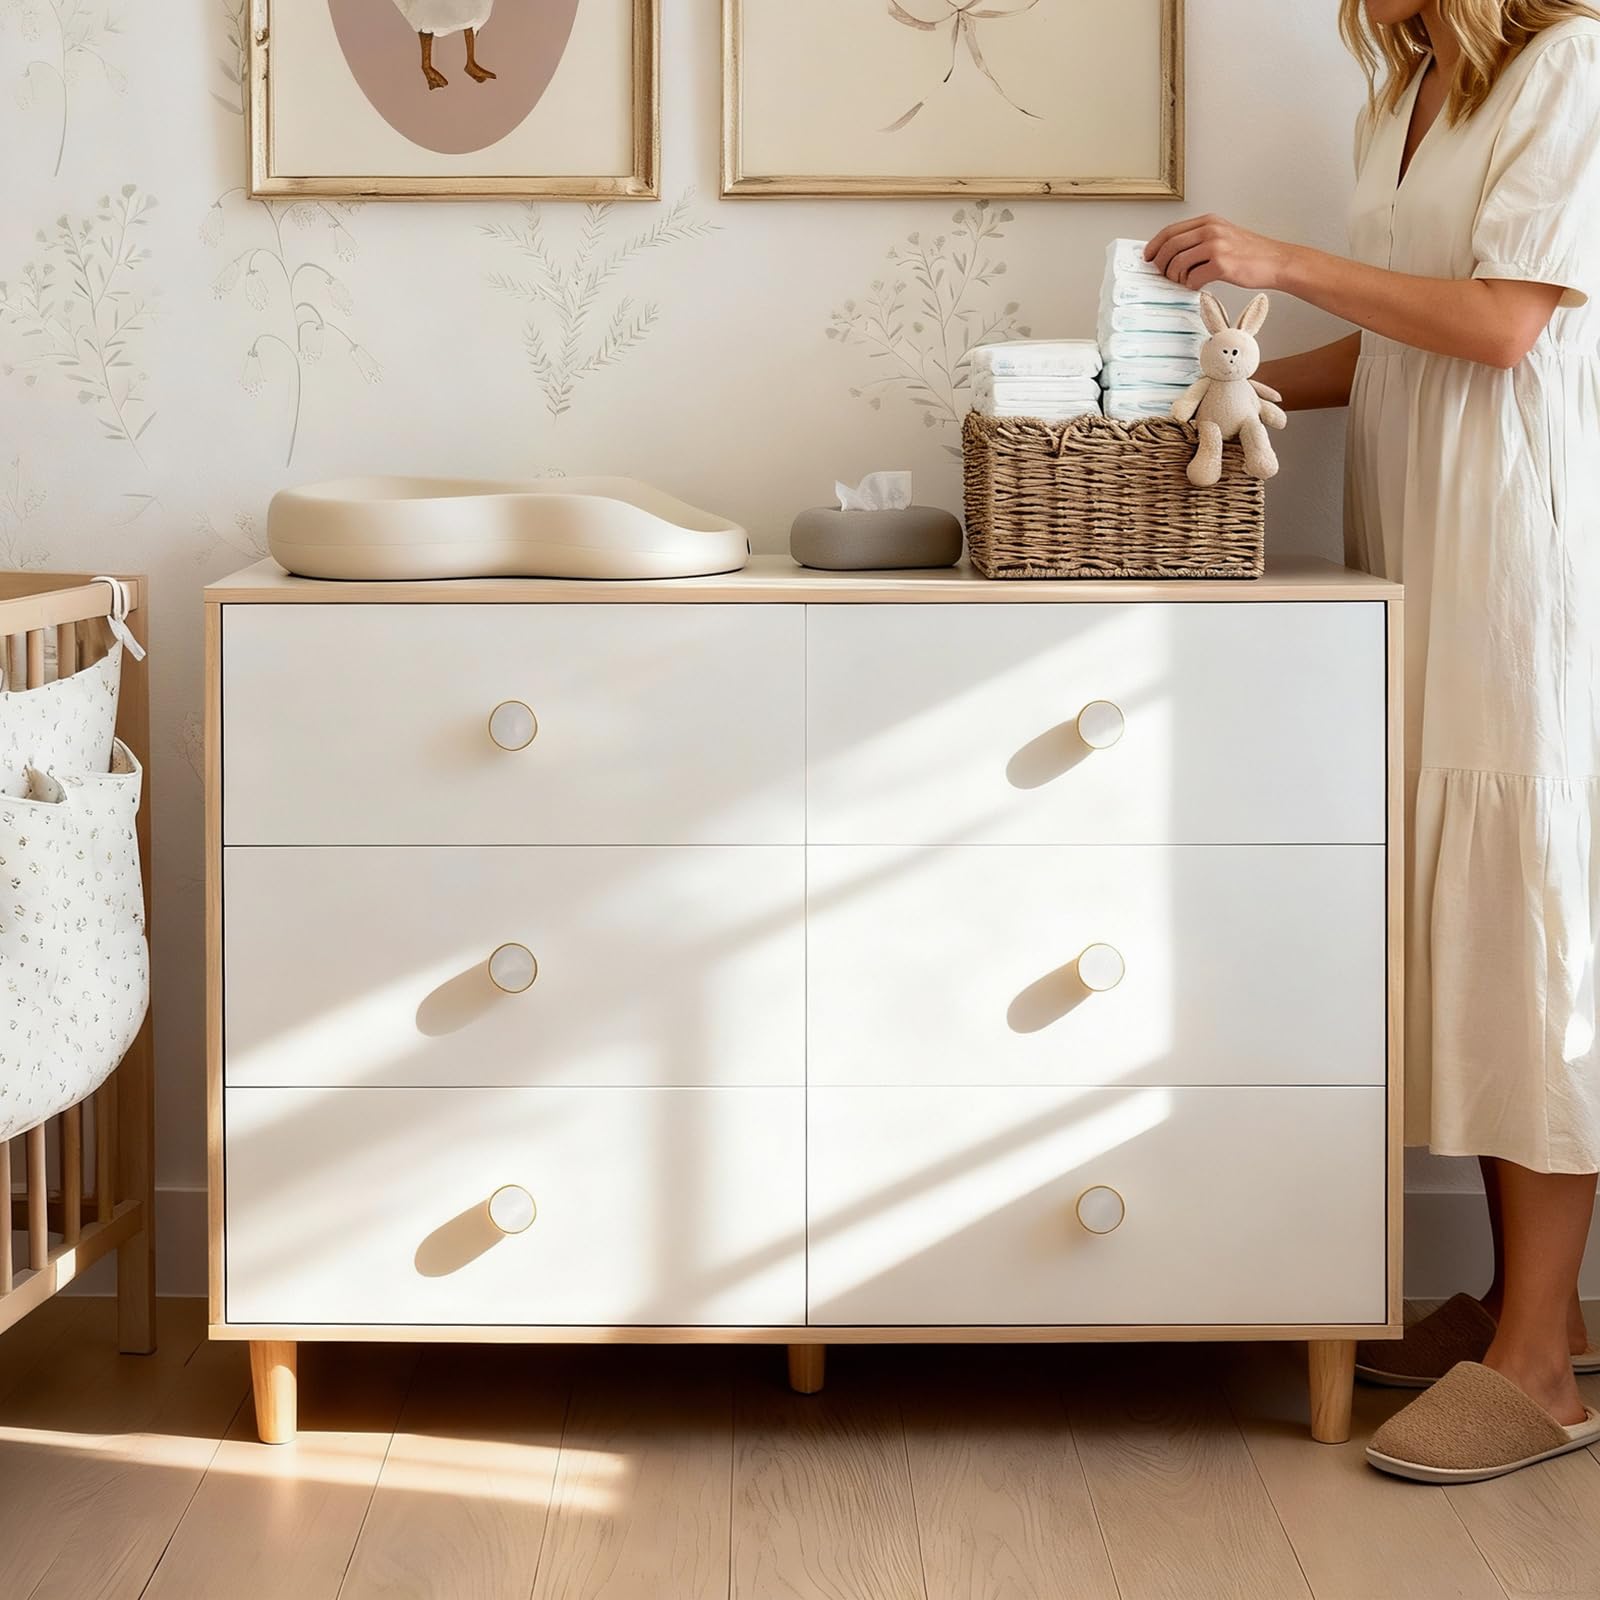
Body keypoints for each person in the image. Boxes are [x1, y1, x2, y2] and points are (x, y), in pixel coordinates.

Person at [1145, 0, 1600, 1482]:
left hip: (1514, 551)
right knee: (1456, 916)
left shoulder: (1570, 65)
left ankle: (1544, 1356)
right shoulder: (1410, 89)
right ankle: (1512, 1304)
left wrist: (1275, 260)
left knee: (1524, 921)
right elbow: (1415, 338)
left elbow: (1505, 321)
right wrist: (1249, 380)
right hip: (1421, 536)